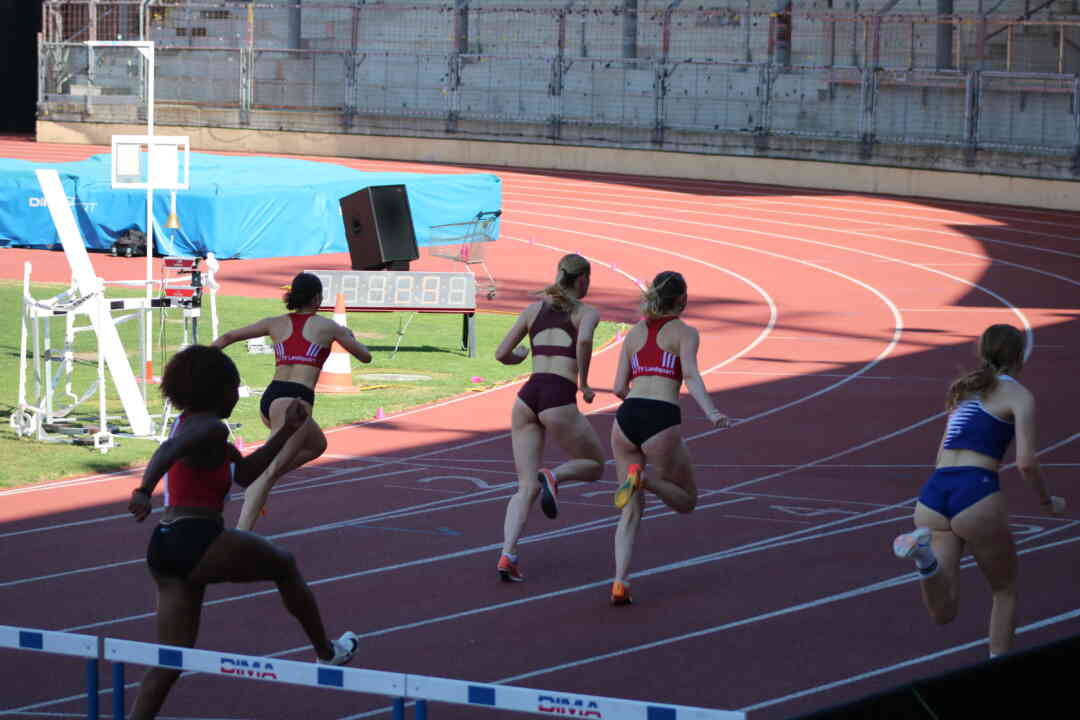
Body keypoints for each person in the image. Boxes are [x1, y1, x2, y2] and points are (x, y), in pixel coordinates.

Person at [127, 345, 358, 720]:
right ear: (216, 390)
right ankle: (326, 652)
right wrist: (143, 489)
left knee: (171, 659)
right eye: (234, 388)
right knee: (284, 564)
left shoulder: (196, 427)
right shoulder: (211, 428)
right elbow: (168, 450)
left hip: (164, 546)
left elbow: (247, 474)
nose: (238, 395)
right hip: (196, 537)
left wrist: (288, 431)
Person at [892, 323, 1065, 658]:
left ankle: (924, 558)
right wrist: (1047, 501)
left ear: (982, 352)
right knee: (1005, 591)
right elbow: (1026, 463)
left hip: (934, 494)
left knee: (944, 612)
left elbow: (940, 455)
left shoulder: (963, 390)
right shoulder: (1019, 395)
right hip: (976, 490)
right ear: (1019, 357)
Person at [212, 272, 371, 530]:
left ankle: (263, 479)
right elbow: (365, 356)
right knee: (269, 472)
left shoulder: (274, 323)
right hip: (296, 404)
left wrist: (200, 359)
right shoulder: (328, 327)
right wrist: (348, 336)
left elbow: (227, 337)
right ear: (317, 298)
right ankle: (241, 531)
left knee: (317, 445)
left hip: (271, 399)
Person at [609, 271, 731, 606]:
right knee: (687, 500)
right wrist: (712, 413)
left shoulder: (633, 334)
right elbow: (690, 375)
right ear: (682, 300)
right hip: (660, 417)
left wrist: (637, 406)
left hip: (626, 418)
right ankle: (644, 479)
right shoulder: (685, 333)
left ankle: (620, 581)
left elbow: (618, 387)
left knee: (630, 511)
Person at [493, 253, 606, 582]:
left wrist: (520, 357)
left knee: (525, 486)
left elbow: (501, 354)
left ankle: (508, 554)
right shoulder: (586, 312)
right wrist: (584, 383)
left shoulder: (533, 310)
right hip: (558, 396)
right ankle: (554, 476)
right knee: (594, 464)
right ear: (582, 279)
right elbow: (584, 340)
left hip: (527, 397)